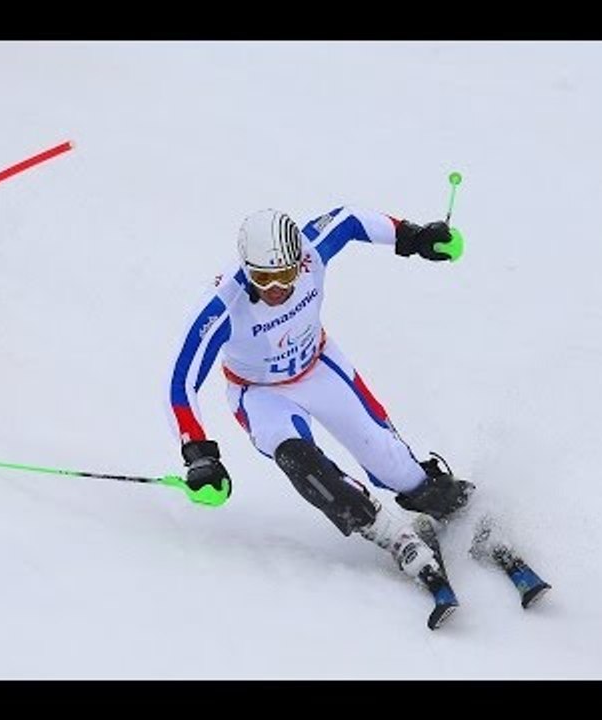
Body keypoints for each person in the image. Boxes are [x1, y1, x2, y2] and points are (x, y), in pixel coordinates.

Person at [165, 206, 474, 624]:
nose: (276, 288)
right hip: (260, 394)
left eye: (285, 276)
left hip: (319, 368)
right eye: (263, 278)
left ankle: (456, 505)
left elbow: (350, 219)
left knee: (396, 468)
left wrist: (413, 237)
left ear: (299, 261)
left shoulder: (312, 251)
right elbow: (181, 382)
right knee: (301, 462)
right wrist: (199, 455)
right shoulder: (222, 306)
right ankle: (391, 536)